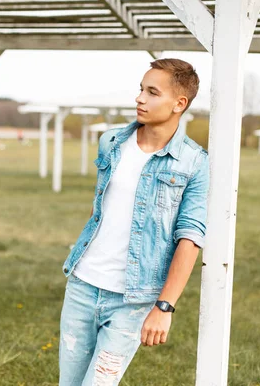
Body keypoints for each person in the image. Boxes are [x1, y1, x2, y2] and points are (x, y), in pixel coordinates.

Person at [59, 58, 210, 385]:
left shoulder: (194, 163)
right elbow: (100, 207)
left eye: (152, 92)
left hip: (133, 299)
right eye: (141, 89)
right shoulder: (111, 141)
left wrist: (165, 307)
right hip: (83, 285)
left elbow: (191, 238)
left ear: (178, 104)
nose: (140, 98)